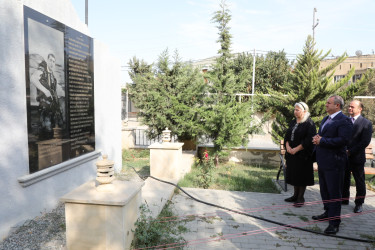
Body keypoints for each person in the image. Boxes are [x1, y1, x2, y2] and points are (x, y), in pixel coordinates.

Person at [312, 95, 353, 235]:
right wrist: (317, 138)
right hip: (323, 161)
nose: (325, 105)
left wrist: (322, 141)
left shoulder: (344, 120)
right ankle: (328, 212)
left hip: (335, 163)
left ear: (337, 105)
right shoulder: (326, 119)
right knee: (324, 190)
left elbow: (343, 140)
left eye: (328, 103)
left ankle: (334, 223)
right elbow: (321, 135)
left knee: (334, 193)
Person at [284, 102, 316, 207]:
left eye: (297, 110)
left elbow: (308, 140)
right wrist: (288, 146)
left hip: (303, 155)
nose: (295, 111)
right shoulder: (293, 122)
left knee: (301, 176)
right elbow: (287, 136)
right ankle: (295, 195)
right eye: (295, 109)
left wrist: (296, 149)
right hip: (292, 153)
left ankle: (300, 198)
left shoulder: (309, 123)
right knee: (294, 174)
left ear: (304, 111)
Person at [342, 100, 372, 213]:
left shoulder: (366, 123)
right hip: (344, 156)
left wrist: (350, 151)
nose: (350, 108)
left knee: (359, 181)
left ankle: (359, 203)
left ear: (360, 109)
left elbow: (365, 141)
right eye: (349, 106)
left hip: (356, 157)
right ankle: (344, 199)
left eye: (352, 107)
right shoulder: (344, 120)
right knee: (344, 179)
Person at [30, 53, 63, 138]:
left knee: (51, 129)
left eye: (54, 61)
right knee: (46, 128)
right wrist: (45, 91)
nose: (52, 63)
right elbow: (33, 78)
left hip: (51, 106)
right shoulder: (42, 69)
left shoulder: (52, 76)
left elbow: (54, 90)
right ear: (47, 60)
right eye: (50, 60)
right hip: (44, 105)